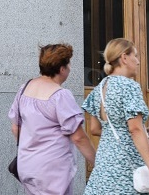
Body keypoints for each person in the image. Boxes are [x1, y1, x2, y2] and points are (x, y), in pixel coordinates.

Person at [8, 43, 96, 194]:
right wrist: (98, 163)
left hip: (27, 165)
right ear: (62, 69)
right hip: (52, 171)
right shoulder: (60, 95)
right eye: (69, 64)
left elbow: (15, 127)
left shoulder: (25, 88)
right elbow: (78, 137)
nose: (70, 68)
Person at [82, 38, 149, 194]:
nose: (138, 62)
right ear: (124, 58)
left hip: (104, 165)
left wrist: (140, 132)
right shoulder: (129, 86)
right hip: (125, 168)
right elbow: (135, 129)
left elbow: (94, 128)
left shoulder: (99, 89)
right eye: (135, 56)